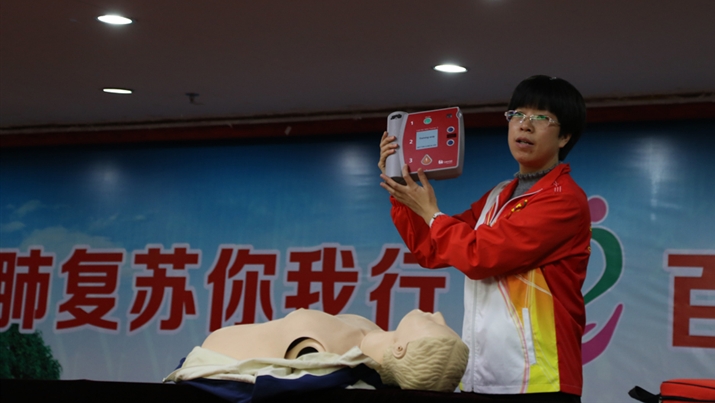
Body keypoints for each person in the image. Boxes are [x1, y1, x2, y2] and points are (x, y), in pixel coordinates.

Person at [378, 75, 591, 402]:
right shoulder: (498, 195)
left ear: (565, 136)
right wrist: (401, 191)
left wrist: (432, 213)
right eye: (517, 114)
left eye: (541, 118)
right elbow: (432, 249)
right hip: (483, 374)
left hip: (539, 381)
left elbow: (479, 257)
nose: (525, 125)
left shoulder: (564, 199)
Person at [177, 308, 469, 392]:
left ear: (401, 349)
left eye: (435, 325)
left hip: (218, 351)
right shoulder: (366, 337)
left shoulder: (325, 352)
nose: (438, 315)